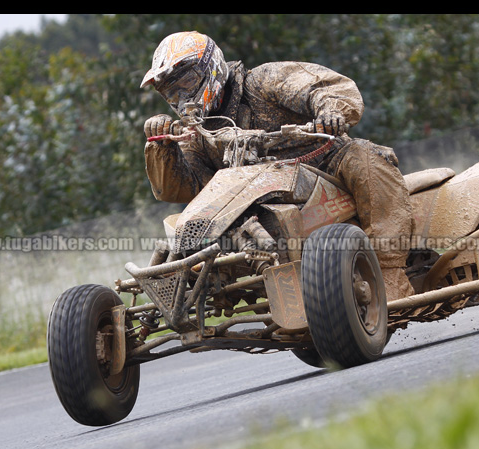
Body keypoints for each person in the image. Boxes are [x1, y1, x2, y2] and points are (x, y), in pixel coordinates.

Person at [141, 31, 414, 301]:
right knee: (185, 223)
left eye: (187, 82)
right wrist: (162, 145)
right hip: (256, 203)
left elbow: (324, 87)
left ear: (210, 68)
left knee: (365, 156)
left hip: (324, 165)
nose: (181, 97)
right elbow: (181, 190)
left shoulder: (262, 81)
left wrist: (330, 112)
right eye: (171, 92)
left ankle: (389, 273)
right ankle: (178, 293)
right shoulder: (195, 134)